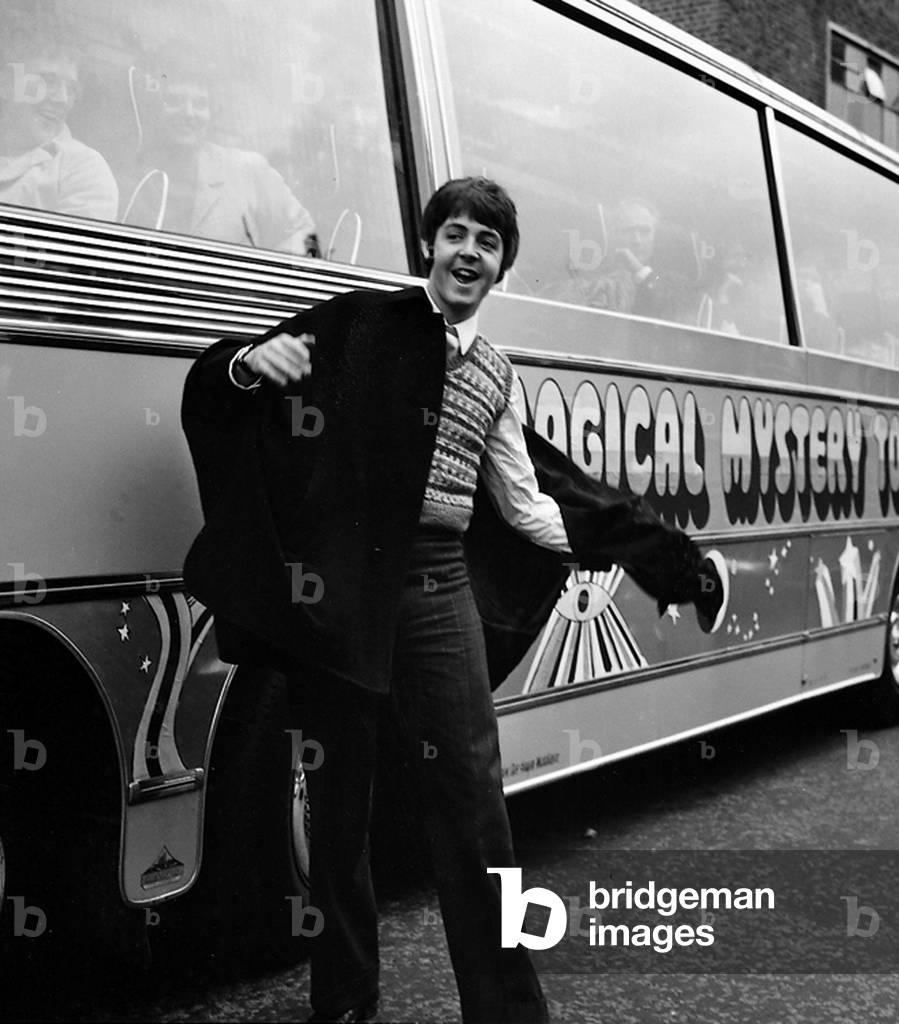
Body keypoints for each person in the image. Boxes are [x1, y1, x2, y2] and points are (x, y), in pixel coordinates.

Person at [181, 177, 728, 1023]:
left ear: (502, 266)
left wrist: (647, 560)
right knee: (337, 808)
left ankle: (506, 1010)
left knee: (474, 805)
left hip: (438, 589)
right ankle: (345, 1001)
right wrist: (249, 365)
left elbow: (528, 502)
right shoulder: (360, 323)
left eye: (487, 242)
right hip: (343, 594)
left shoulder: (498, 376)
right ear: (429, 247)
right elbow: (229, 374)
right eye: (455, 235)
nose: (468, 252)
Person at [124, 48, 314, 253]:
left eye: (200, 104)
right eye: (174, 101)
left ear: (211, 113)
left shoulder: (247, 171)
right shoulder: (131, 179)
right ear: (154, 108)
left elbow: (304, 234)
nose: (188, 113)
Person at [0, 28, 117, 220]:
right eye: (48, 81)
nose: (63, 99)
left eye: (71, 88)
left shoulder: (83, 169)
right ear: (5, 84)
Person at [564, 198, 700, 322]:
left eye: (645, 231)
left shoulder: (667, 280)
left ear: (655, 236)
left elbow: (681, 310)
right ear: (614, 234)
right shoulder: (592, 274)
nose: (637, 240)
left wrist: (641, 271)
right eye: (629, 231)